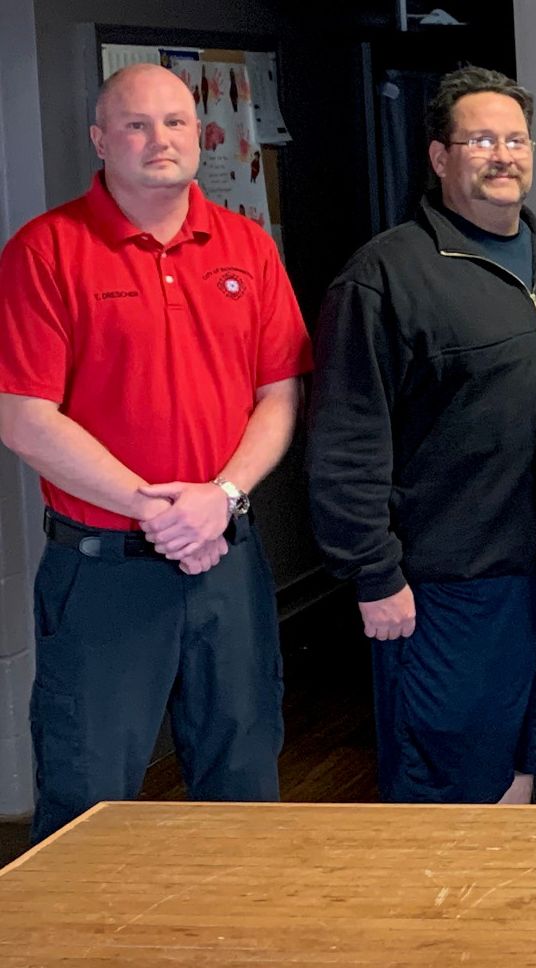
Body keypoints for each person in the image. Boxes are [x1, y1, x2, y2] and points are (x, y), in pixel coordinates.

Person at [0, 64, 310, 842]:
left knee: (243, 783)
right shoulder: (46, 252)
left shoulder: (246, 247)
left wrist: (224, 497)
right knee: (87, 799)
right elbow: (23, 415)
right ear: (101, 140)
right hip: (103, 572)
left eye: (175, 122)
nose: (159, 140)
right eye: (136, 125)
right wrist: (153, 507)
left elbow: (280, 394)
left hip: (227, 562)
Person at [308, 67, 536, 805]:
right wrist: (373, 572)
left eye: (515, 139)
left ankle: (515, 912)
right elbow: (346, 437)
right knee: (449, 781)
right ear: (440, 158)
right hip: (447, 584)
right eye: (480, 139)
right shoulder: (386, 277)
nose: (503, 155)